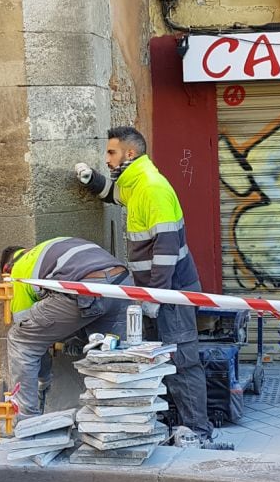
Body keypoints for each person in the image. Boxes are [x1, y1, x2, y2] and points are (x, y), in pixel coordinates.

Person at [73, 126, 214, 441]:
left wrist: (155, 297)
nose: (107, 159)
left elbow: (165, 251)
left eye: (111, 153)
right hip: (155, 289)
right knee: (157, 357)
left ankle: (199, 430)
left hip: (171, 289)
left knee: (183, 357)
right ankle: (171, 424)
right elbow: (113, 194)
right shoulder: (135, 183)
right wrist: (92, 180)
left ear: (130, 153)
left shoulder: (151, 187)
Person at [0, 237, 131, 417]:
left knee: (20, 341)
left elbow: (28, 331)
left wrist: (43, 378)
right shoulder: (51, 248)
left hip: (84, 288)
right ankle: (118, 417)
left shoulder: (18, 272)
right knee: (109, 353)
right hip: (123, 284)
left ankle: (26, 420)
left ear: (7, 270)